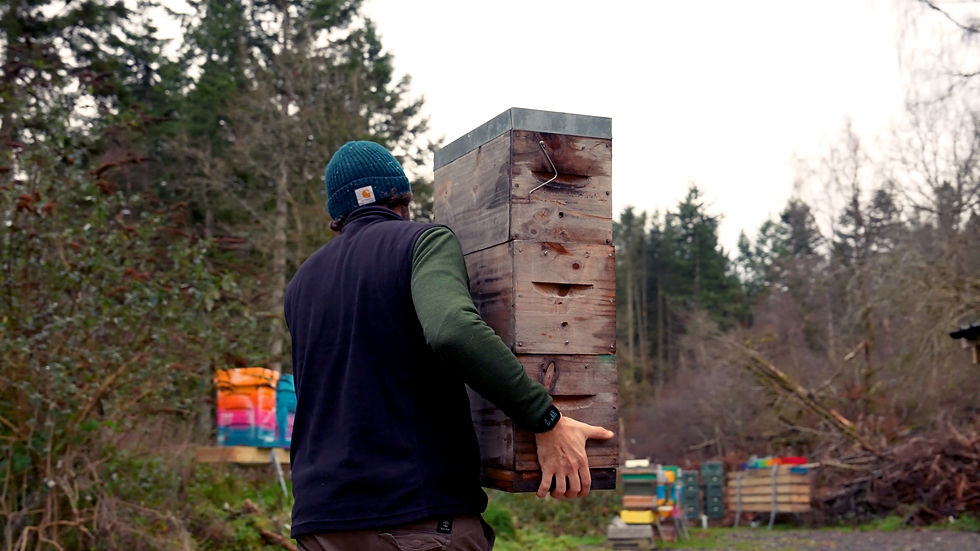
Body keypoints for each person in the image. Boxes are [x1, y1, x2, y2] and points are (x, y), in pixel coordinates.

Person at [284, 141, 614, 551]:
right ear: (401, 196)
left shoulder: (301, 283)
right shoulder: (422, 242)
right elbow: (452, 330)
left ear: (337, 216)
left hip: (321, 527)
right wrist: (545, 418)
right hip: (414, 523)